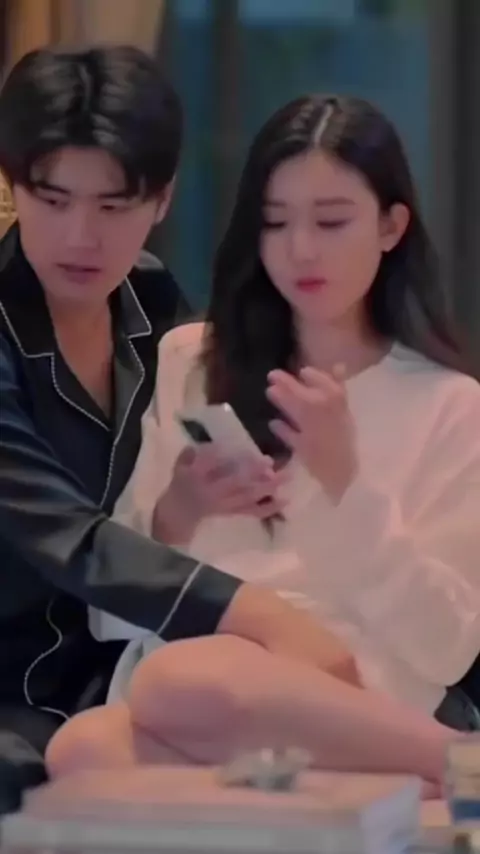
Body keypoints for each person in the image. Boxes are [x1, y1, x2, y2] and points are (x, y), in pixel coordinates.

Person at [47, 94, 480, 783]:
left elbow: (448, 648)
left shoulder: (450, 404)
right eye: (275, 222)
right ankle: (422, 781)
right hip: (189, 702)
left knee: (180, 680)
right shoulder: (194, 362)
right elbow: (110, 617)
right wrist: (178, 513)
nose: (300, 249)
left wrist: (348, 488)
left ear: (391, 226)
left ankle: (448, 763)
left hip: (350, 693)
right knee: (81, 751)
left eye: (331, 222)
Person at [0, 49, 358, 812]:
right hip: (16, 691)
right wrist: (261, 615)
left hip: (134, 665)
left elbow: (184, 459)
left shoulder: (152, 299)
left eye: (114, 206)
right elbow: (63, 534)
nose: (81, 237)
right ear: (13, 185)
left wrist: (207, 496)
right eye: (53, 200)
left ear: (161, 200)